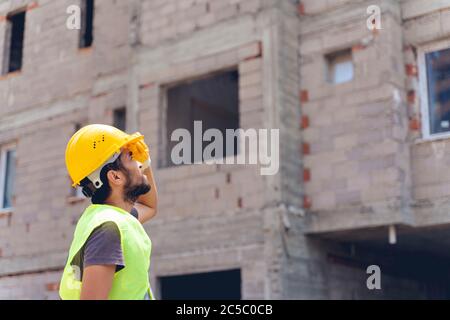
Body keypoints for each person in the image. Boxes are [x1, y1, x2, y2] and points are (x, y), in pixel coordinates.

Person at [59, 124, 158, 300]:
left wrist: (146, 164)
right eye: (131, 156)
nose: (139, 161)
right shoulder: (108, 229)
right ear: (115, 177)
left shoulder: (112, 219)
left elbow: (149, 207)